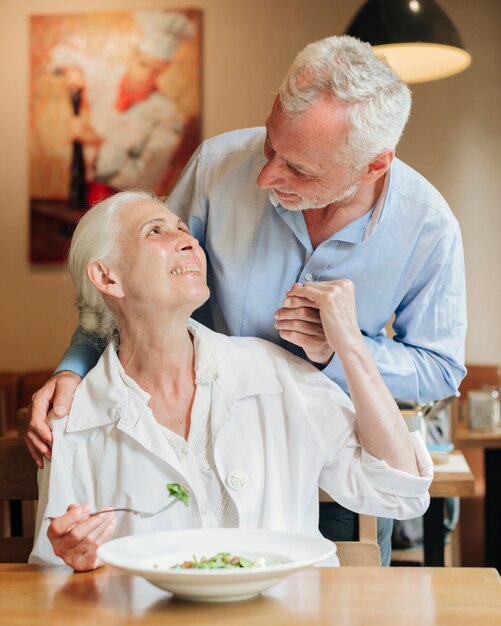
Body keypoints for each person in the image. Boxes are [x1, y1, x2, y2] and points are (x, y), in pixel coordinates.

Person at [26, 36, 466, 565]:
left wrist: (343, 350)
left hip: (337, 440)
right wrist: (75, 368)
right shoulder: (217, 166)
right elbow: (125, 278)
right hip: (205, 422)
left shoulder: (428, 228)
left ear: (373, 166)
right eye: (269, 144)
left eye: (299, 170)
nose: (265, 176)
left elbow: (437, 377)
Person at [29, 191, 433, 570]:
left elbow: (400, 491)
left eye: (184, 229)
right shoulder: (73, 419)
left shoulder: (276, 374)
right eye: (156, 231)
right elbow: (53, 571)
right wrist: (77, 561)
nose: (188, 241)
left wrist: (351, 345)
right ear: (107, 276)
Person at [50, 11, 194, 204]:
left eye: (156, 70)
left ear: (165, 69)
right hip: (79, 197)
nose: (145, 76)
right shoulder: (107, 76)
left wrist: (97, 143)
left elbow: (146, 177)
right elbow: (61, 53)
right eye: (142, 64)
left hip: (123, 205)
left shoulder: (167, 116)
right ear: (133, 55)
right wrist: (72, 71)